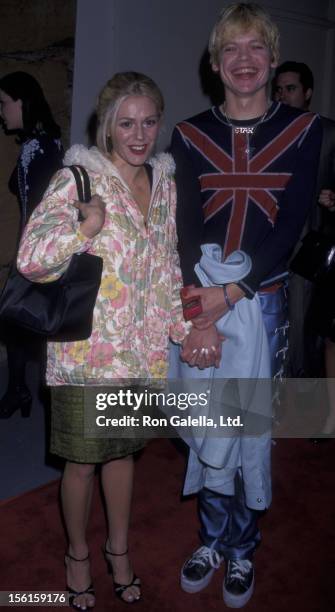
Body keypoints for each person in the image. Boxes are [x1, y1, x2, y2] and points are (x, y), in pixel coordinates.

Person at [16, 71, 200, 610]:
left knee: (123, 458)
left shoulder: (162, 181)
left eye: (148, 122)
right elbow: (31, 258)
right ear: (107, 127)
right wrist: (84, 228)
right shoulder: (79, 179)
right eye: (126, 123)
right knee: (82, 464)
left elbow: (166, 262)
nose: (139, 135)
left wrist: (180, 329)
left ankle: (118, 551)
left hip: (139, 355)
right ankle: (77, 554)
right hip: (86, 355)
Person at [170, 3, 322, 608]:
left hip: (260, 304)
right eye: (230, 49)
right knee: (210, 426)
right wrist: (198, 313)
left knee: (247, 426)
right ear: (214, 63)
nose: (243, 60)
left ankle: (240, 547)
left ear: (273, 57)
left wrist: (228, 298)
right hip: (199, 301)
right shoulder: (187, 135)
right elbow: (181, 230)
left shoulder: (307, 132)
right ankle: (210, 539)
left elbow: (288, 227)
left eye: (255, 46)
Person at [273, 61, 335, 439]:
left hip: (309, 254)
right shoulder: (270, 133)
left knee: (301, 337)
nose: (284, 96)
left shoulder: (329, 133)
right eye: (279, 90)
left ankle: (310, 417)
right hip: (269, 251)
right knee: (274, 335)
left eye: (291, 88)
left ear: (308, 93)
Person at [0, 71, 63, 418]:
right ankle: (19, 390)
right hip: (34, 248)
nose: (1, 111)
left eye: (4, 103)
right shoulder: (42, 143)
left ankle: (31, 394)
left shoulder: (39, 147)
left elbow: (47, 203)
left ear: (22, 102)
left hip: (37, 251)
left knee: (31, 323)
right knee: (19, 323)